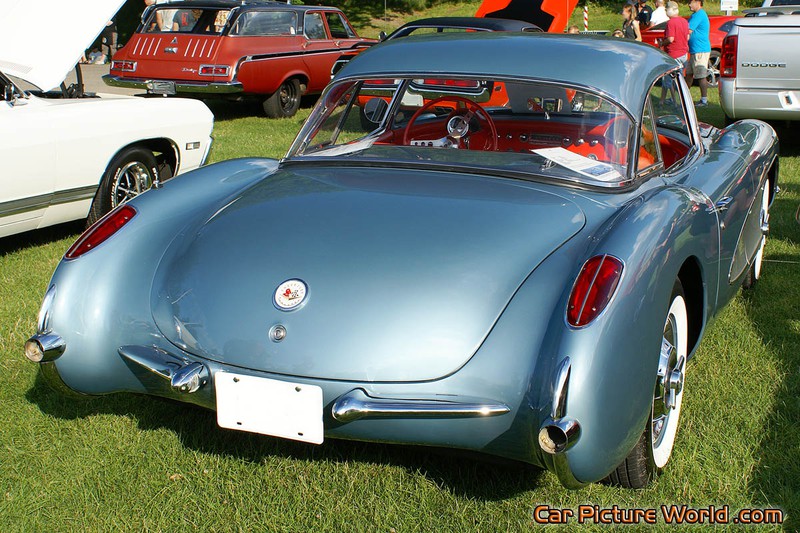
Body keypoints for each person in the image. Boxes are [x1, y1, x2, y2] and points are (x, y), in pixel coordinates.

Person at [659, 1, 689, 103]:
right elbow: (687, 36)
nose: (666, 12)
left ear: (670, 10)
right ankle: (674, 100)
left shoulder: (671, 22)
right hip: (684, 54)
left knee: (668, 79)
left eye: (666, 9)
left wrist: (662, 43)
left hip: (673, 54)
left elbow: (670, 39)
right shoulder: (684, 21)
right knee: (679, 79)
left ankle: (668, 101)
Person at [685, 0, 711, 107]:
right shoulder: (695, 15)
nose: (689, 5)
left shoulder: (699, 15)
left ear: (698, 2)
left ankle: (704, 100)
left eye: (691, 2)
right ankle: (684, 98)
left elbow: (688, 30)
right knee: (689, 75)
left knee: (701, 76)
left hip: (700, 50)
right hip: (694, 50)